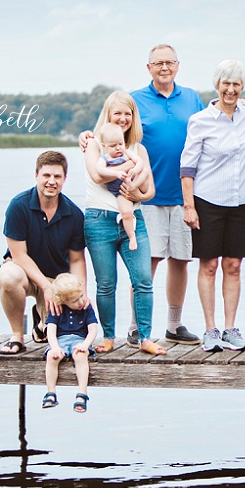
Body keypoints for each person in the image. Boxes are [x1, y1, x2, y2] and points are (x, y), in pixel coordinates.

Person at [180, 60, 245, 352]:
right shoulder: (200, 120)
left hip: (242, 200)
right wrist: (189, 207)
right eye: (226, 83)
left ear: (242, 87)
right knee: (210, 265)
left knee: (234, 265)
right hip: (207, 201)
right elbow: (187, 168)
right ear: (217, 85)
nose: (230, 89)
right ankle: (210, 329)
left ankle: (230, 328)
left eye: (236, 84)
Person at [81, 91, 167, 356]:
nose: (122, 118)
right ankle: (107, 337)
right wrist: (125, 174)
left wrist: (135, 194)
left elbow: (150, 190)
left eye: (127, 113)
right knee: (106, 283)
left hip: (134, 218)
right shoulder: (93, 142)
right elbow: (97, 176)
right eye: (117, 112)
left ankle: (145, 338)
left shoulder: (138, 149)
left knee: (143, 280)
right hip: (99, 220)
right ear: (108, 114)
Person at [131, 44, 206, 346]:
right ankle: (138, 325)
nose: (164, 67)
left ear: (178, 65)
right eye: (158, 63)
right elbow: (114, 133)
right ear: (148, 68)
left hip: (185, 197)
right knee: (146, 263)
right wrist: (89, 138)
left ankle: (174, 325)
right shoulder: (136, 100)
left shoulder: (192, 98)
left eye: (169, 62)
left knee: (181, 260)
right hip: (148, 195)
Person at [0, 150, 86, 355]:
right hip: (26, 276)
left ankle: (41, 325)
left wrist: (81, 294)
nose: (51, 181)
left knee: (56, 338)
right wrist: (46, 287)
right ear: (37, 175)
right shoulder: (18, 206)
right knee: (8, 275)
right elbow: (18, 255)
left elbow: (77, 260)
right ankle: (17, 336)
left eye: (57, 176)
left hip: (56, 280)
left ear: (64, 179)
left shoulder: (74, 215)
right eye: (46, 175)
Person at [41, 273, 98, 413]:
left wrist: (86, 344)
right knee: (52, 357)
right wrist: (54, 347)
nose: (80, 302)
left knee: (80, 355)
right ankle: (51, 392)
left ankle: (82, 393)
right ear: (63, 301)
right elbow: (51, 332)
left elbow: (93, 330)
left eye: (81, 296)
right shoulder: (57, 309)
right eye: (74, 301)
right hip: (60, 340)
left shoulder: (86, 308)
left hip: (80, 340)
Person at [94, 122, 148, 251]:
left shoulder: (127, 153)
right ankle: (132, 237)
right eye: (113, 146)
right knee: (126, 213)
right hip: (120, 192)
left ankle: (132, 185)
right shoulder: (105, 159)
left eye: (120, 144)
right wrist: (116, 173)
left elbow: (140, 161)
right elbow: (99, 170)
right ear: (104, 146)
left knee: (145, 171)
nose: (118, 148)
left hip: (132, 182)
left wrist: (135, 169)